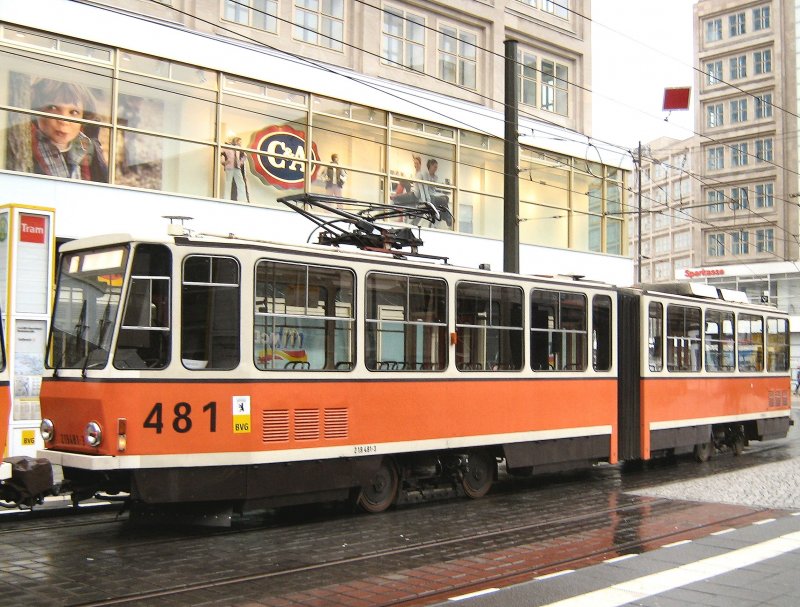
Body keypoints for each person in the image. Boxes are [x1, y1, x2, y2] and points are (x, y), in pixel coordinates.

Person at [30, 78, 108, 182]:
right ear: (38, 111)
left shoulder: (89, 149)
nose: (64, 120)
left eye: (73, 112)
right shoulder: (28, 146)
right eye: (53, 108)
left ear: (83, 117)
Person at [220, 137, 248, 201]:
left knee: (240, 182)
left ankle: (242, 199)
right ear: (236, 141)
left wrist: (240, 162)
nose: (240, 143)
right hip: (229, 167)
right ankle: (226, 198)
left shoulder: (238, 149)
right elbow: (221, 154)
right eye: (239, 142)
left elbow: (244, 155)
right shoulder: (226, 147)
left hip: (237, 167)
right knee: (228, 182)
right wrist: (224, 162)